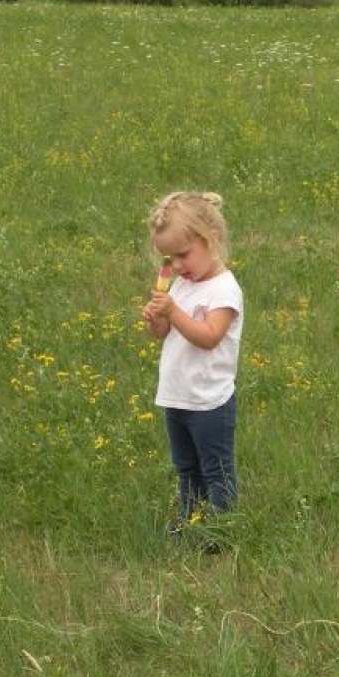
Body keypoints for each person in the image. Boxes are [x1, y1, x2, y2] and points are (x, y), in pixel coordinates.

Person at [142, 190, 245, 533]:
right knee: (186, 467)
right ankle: (191, 521)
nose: (178, 267)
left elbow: (208, 337)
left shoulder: (224, 289)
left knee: (215, 469)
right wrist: (157, 318)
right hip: (177, 394)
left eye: (183, 255)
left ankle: (222, 528)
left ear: (210, 239)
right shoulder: (182, 285)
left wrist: (173, 310)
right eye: (169, 260)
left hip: (209, 400)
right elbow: (164, 334)